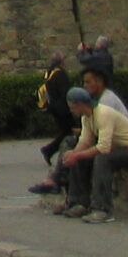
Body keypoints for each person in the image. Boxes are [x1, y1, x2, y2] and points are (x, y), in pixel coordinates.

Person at [54, 73, 128, 221]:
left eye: (72, 107)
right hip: (119, 147)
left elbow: (103, 148)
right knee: (79, 159)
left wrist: (77, 155)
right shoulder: (86, 117)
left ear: (80, 104)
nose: (71, 110)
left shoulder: (103, 114)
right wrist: (73, 154)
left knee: (103, 160)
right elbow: (85, 141)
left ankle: (103, 209)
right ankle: (78, 202)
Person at [32, 53, 76, 192]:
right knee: (68, 133)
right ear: (61, 62)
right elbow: (65, 93)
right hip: (62, 109)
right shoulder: (60, 75)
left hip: (54, 108)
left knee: (65, 132)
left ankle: (49, 150)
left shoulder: (49, 73)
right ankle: (49, 150)